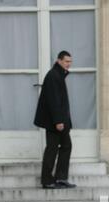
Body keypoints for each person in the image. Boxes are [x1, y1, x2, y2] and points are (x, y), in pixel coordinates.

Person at [34, 50, 76, 189]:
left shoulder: (59, 74)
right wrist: (58, 121)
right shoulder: (53, 75)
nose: (69, 64)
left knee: (65, 146)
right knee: (52, 149)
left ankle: (60, 178)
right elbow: (54, 100)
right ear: (59, 61)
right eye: (66, 61)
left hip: (60, 121)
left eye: (70, 62)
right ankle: (47, 180)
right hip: (55, 123)